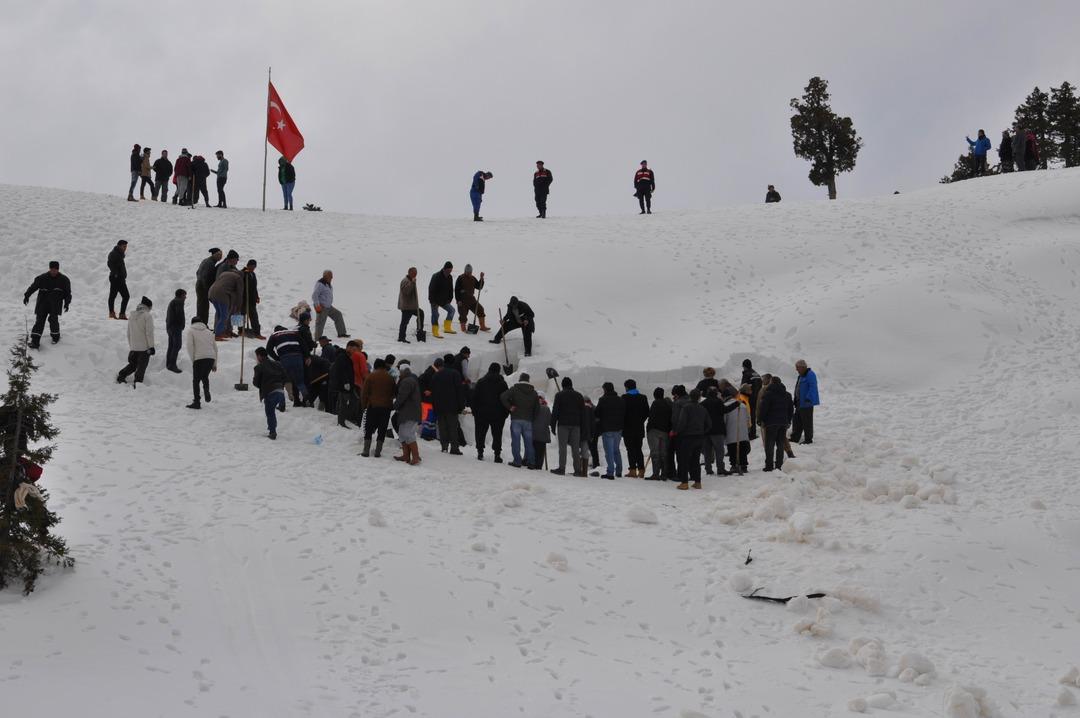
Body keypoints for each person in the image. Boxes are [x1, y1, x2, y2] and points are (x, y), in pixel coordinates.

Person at [23, 261, 71, 349]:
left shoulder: (64, 280)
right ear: (49, 269)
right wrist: (27, 295)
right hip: (43, 303)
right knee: (39, 321)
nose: (53, 271)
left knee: (53, 320)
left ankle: (55, 337)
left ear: (58, 269)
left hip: (55, 304)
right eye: (52, 269)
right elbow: (33, 287)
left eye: (55, 269)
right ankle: (35, 341)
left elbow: (68, 293)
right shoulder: (42, 278)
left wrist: (67, 303)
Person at [673, 388, 711, 490]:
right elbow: (709, 424)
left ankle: (684, 483)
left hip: (687, 437)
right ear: (699, 397)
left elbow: (682, 423)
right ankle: (697, 482)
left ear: (690, 396)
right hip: (699, 437)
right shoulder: (703, 409)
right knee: (695, 460)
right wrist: (702, 432)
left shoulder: (686, 408)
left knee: (684, 460)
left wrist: (677, 431)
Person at [500, 372, 539, 468]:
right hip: (528, 420)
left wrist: (510, 407)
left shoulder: (515, 389)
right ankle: (531, 462)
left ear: (520, 379)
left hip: (516, 418)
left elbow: (503, 396)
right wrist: (532, 418)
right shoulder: (534, 393)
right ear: (528, 380)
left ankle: (517, 461)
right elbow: (537, 408)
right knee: (529, 442)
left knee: (516, 441)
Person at [472, 362, 509, 462]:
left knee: (480, 433)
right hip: (498, 414)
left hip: (481, 413)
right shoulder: (502, 383)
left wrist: (475, 412)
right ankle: (497, 454)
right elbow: (507, 399)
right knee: (497, 434)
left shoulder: (481, 382)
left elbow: (474, 398)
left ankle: (480, 452)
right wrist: (505, 414)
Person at [549, 376, 585, 476]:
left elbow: (555, 411)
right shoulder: (579, 396)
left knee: (562, 448)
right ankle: (577, 470)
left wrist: (552, 425)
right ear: (571, 384)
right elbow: (583, 413)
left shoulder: (559, 395)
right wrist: (583, 426)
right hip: (576, 425)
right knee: (575, 448)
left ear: (563, 385)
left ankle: (562, 468)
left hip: (563, 425)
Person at [429, 357, 466, 454]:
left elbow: (433, 393)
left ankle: (444, 446)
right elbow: (459, 391)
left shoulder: (435, 376)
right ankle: (454, 448)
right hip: (452, 406)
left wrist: (434, 405)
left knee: (442, 427)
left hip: (439, 406)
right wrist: (461, 406)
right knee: (453, 427)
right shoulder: (455, 374)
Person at [116, 297, 155, 386]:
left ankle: (121, 375)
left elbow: (128, 333)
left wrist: (132, 346)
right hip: (144, 348)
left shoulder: (132, 316)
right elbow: (149, 333)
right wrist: (151, 346)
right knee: (141, 367)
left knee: (133, 365)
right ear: (148, 306)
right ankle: (138, 383)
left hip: (134, 347)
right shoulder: (147, 316)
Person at [757, 375, 793, 471]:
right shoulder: (787, 395)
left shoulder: (768, 394)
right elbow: (791, 409)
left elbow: (763, 408)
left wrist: (760, 420)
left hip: (771, 423)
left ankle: (769, 465)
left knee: (770, 445)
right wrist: (789, 420)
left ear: (772, 383)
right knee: (780, 444)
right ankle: (779, 465)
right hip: (783, 423)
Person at [361, 358, 396, 457]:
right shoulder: (390, 378)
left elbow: (364, 393)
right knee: (382, 429)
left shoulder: (371, 376)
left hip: (373, 406)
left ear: (375, 366)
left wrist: (364, 406)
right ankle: (377, 452)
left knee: (369, 428)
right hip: (386, 407)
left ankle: (366, 450)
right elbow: (393, 393)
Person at [252, 347, 288, 440]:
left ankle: (272, 432)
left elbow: (255, 383)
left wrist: (263, 385)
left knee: (270, 412)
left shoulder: (259, 367)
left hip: (269, 392)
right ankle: (282, 404)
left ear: (259, 356)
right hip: (280, 390)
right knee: (278, 398)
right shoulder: (278, 364)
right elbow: (285, 376)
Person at [184, 317, 218, 409]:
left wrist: (193, 359)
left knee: (196, 380)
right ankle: (206, 391)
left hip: (199, 358)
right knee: (205, 376)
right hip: (210, 358)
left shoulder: (191, 331)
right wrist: (214, 363)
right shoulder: (208, 332)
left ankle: (197, 402)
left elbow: (189, 346)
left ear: (192, 323)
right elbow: (215, 348)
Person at [393, 363, 422, 465]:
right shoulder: (411, 379)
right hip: (410, 411)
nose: (399, 374)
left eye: (400, 372)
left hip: (409, 412)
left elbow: (402, 397)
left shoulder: (406, 381)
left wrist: (394, 406)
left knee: (408, 434)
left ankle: (415, 457)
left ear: (403, 371)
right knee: (402, 433)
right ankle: (406, 456)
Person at [595, 382, 624, 480]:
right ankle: (619, 471)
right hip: (618, 429)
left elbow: (597, 413)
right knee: (616, 450)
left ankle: (610, 472)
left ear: (605, 389)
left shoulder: (603, 400)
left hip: (607, 429)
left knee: (609, 452)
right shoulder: (620, 400)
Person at [621, 379, 649, 477]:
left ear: (627, 387)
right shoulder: (643, 397)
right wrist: (640, 420)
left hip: (627, 428)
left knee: (630, 449)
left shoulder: (624, 398)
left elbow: (622, 413)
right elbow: (647, 412)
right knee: (638, 449)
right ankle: (641, 470)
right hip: (639, 428)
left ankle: (632, 470)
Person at [208, 266, 244, 340]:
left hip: (211, 293)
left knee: (219, 314)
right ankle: (218, 335)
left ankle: (219, 332)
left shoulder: (224, 273)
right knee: (224, 316)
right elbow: (239, 294)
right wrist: (239, 306)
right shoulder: (238, 278)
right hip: (222, 295)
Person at [789, 359, 820, 444]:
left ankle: (808, 439)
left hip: (806, 403)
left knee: (807, 422)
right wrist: (795, 399)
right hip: (799, 402)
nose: (796, 370)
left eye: (797, 368)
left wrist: (808, 397)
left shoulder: (810, 375)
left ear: (802, 367)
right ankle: (795, 437)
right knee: (797, 421)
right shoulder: (801, 376)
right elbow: (798, 388)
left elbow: (813, 387)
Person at [312, 270, 348, 340]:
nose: (332, 277)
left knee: (338, 314)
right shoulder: (320, 284)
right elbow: (314, 295)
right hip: (322, 307)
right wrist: (317, 305)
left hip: (328, 307)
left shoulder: (328, 284)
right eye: (330, 276)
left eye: (332, 276)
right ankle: (317, 339)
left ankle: (341, 333)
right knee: (320, 323)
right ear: (325, 276)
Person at [329, 340, 359, 427]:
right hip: (344, 385)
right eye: (354, 349)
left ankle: (345, 419)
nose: (355, 352)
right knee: (344, 403)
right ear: (348, 347)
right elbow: (341, 371)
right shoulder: (342, 356)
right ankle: (341, 422)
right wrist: (346, 382)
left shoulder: (346, 357)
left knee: (354, 400)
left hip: (349, 384)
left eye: (356, 350)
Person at [701, 387, 729, 476]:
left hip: (706, 431)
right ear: (716, 393)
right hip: (717, 430)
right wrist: (736, 404)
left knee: (707, 451)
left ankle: (708, 469)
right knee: (719, 451)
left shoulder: (703, 403)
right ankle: (720, 468)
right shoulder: (719, 402)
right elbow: (725, 410)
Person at [722, 386, 750, 475]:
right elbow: (747, 418)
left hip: (731, 431)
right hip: (742, 431)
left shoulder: (725, 406)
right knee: (742, 450)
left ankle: (734, 465)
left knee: (732, 450)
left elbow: (724, 420)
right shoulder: (742, 405)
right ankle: (743, 465)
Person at [453, 264, 489, 333]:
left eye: (470, 272)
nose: (469, 273)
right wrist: (458, 300)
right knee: (463, 315)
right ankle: (463, 329)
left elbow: (479, 287)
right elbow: (457, 290)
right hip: (462, 301)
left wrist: (481, 278)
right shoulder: (460, 278)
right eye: (468, 272)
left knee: (480, 309)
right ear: (465, 271)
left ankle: (482, 326)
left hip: (471, 300)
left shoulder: (473, 278)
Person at [645, 387, 672, 480]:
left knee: (655, 453)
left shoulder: (655, 403)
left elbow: (651, 417)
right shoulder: (668, 404)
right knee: (664, 453)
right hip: (665, 431)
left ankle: (655, 473)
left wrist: (648, 429)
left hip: (654, 431)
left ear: (654, 395)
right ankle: (664, 474)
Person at [428, 261, 457, 338]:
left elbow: (450, 289)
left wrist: (450, 299)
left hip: (444, 300)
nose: (449, 272)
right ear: (444, 269)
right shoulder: (436, 276)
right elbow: (431, 289)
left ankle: (447, 328)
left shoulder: (450, 277)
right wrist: (432, 301)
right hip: (435, 300)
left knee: (452, 310)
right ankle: (435, 331)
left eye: (451, 270)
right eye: (448, 270)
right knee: (435, 315)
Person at [194, 248, 222, 323]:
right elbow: (206, 277)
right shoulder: (210, 263)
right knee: (203, 307)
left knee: (201, 306)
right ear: (214, 254)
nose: (220, 256)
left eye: (221, 255)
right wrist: (208, 290)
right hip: (203, 287)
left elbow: (197, 272)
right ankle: (202, 325)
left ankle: (201, 325)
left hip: (200, 285)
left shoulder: (207, 261)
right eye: (219, 255)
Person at [669, 385, 690, 477]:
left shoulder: (678, 403)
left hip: (680, 433)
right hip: (691, 432)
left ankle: (680, 474)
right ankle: (689, 473)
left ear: (677, 394)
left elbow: (675, 418)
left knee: (679, 454)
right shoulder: (691, 401)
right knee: (687, 455)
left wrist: (674, 430)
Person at [165, 289, 187, 373]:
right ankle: (172, 365)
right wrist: (181, 325)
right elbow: (179, 314)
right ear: (181, 295)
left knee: (171, 346)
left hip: (170, 327)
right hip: (175, 327)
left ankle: (168, 364)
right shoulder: (179, 302)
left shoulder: (173, 301)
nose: (186, 297)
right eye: (185, 295)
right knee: (177, 345)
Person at [107, 240, 130, 320]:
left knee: (122, 296)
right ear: (119, 246)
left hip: (120, 278)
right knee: (122, 296)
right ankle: (115, 313)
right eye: (124, 246)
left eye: (126, 246)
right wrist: (116, 273)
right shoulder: (114, 253)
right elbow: (109, 263)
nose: (125, 248)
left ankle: (119, 314)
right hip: (116, 278)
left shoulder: (119, 254)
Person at [397, 267, 421, 343]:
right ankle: (401, 338)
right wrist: (412, 283)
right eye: (414, 273)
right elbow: (406, 292)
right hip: (407, 306)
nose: (415, 275)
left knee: (421, 314)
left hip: (412, 306)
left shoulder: (411, 280)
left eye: (416, 273)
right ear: (409, 273)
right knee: (404, 322)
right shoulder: (405, 281)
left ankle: (419, 330)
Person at [741, 359, 763, 439]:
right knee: (753, 416)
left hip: (748, 398)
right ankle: (753, 433)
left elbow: (743, 387)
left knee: (748, 416)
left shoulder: (746, 374)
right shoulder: (757, 374)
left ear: (745, 366)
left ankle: (749, 434)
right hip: (757, 398)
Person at [241, 260, 262, 338]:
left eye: (254, 267)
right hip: (243, 299)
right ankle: (240, 331)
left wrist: (256, 296)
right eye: (252, 267)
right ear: (248, 265)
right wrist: (244, 273)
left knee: (254, 316)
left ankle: (257, 332)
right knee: (241, 315)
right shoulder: (242, 273)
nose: (253, 269)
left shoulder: (253, 274)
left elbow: (254, 287)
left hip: (251, 300)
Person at [533, 394, 552, 470]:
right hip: (543, 433)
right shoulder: (547, 409)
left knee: (533, 448)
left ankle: (532, 463)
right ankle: (539, 465)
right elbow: (550, 421)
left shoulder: (533, 407)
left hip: (533, 432)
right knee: (541, 451)